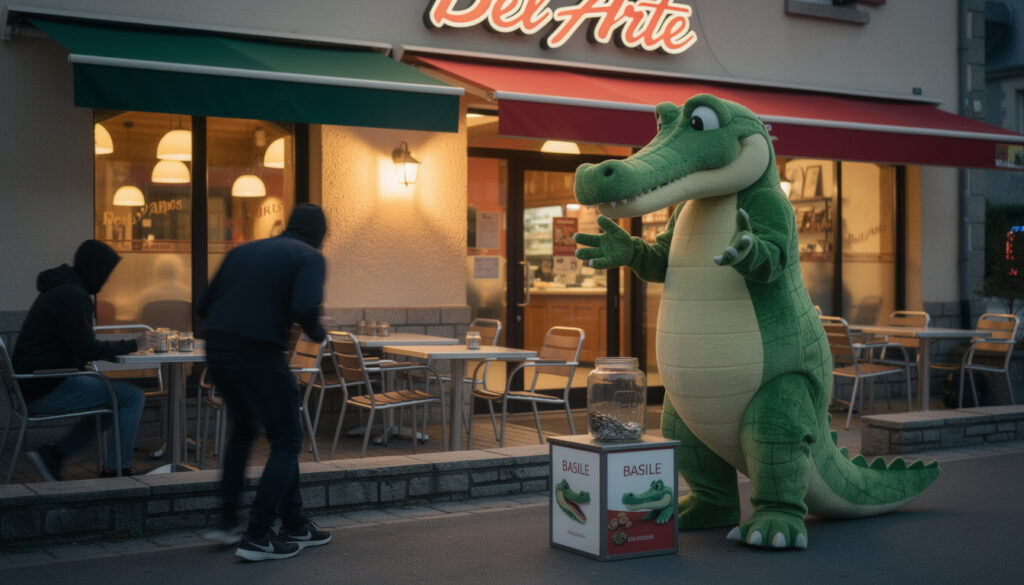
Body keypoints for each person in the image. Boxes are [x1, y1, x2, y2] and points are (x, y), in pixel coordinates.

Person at [198, 203, 332, 562]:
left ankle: (247, 522)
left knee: (244, 429)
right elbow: (305, 306)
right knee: (287, 440)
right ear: (319, 233)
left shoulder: (242, 250)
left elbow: (203, 304)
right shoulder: (309, 257)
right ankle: (257, 535)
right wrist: (319, 331)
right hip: (258, 353)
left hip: (217, 349)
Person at [13, 239, 162, 480]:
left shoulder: (63, 288)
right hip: (44, 386)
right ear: (95, 269)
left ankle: (54, 455)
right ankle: (117, 470)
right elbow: (86, 348)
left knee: (114, 401)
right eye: (107, 273)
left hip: (34, 383)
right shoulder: (73, 296)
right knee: (131, 396)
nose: (107, 280)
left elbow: (80, 345)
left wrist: (122, 346)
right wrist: (136, 343)